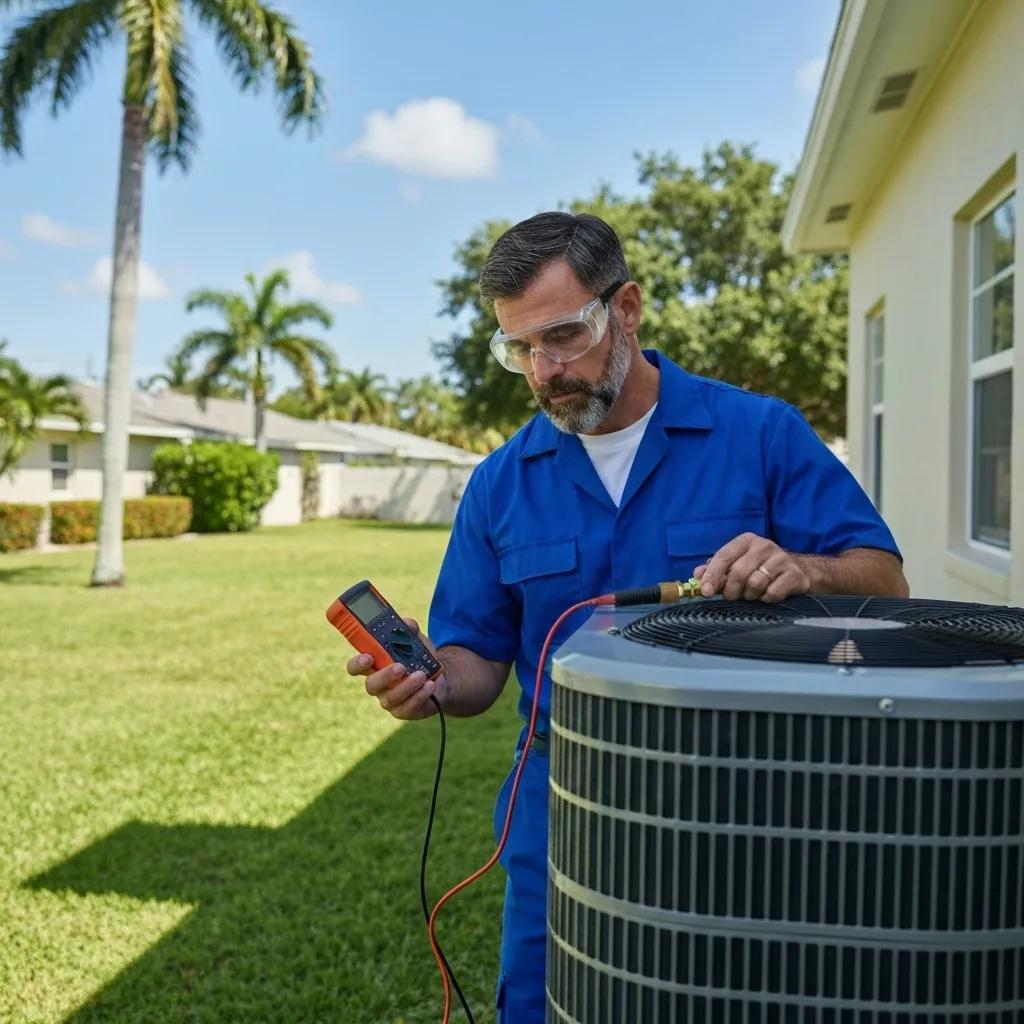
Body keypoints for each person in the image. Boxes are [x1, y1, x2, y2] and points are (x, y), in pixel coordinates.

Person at [346, 212, 908, 1022]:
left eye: (564, 336)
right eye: (522, 350)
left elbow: (885, 581)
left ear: (628, 308)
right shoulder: (501, 482)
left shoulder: (761, 434)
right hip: (559, 812)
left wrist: (807, 568)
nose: (546, 370)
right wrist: (427, 681)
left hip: (745, 809)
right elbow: (476, 665)